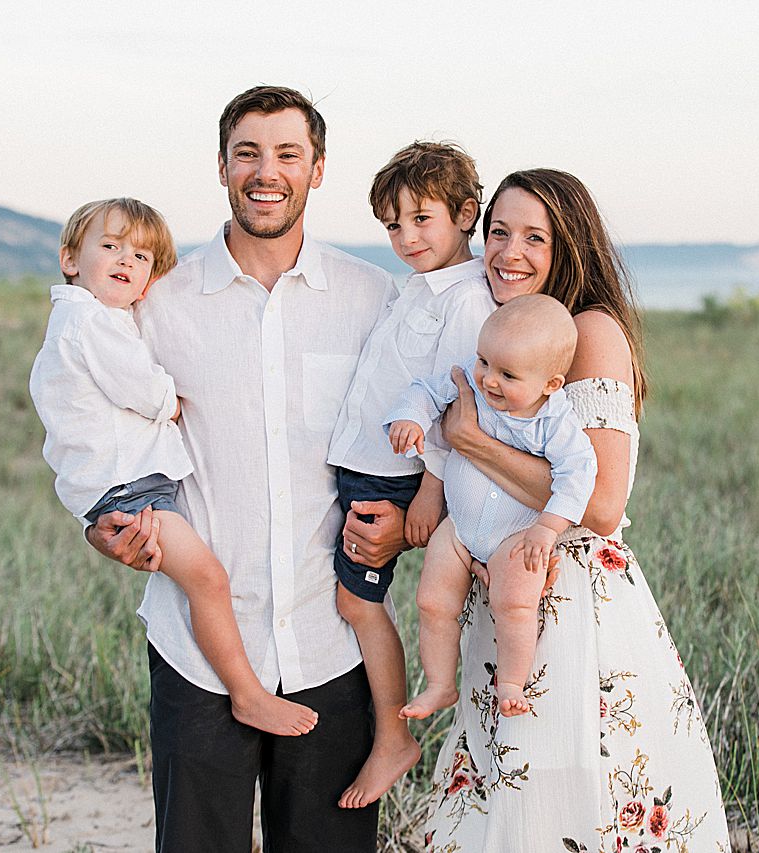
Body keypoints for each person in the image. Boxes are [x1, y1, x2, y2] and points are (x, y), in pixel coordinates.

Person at [84, 86, 406, 853]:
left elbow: (408, 438)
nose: (267, 172)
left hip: (330, 639)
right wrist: (101, 524)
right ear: (222, 166)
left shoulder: (373, 298)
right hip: (198, 651)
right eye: (249, 153)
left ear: (317, 169)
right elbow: (98, 426)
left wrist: (402, 519)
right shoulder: (157, 303)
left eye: (288, 153)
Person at [421, 170, 731, 852]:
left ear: (570, 248)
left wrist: (470, 438)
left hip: (571, 601)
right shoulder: (502, 330)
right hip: (507, 590)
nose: (510, 251)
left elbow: (603, 502)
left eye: (536, 237)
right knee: (510, 794)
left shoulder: (589, 331)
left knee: (565, 794)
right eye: (498, 231)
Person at [30, 198, 320, 740]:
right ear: (70, 258)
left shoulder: (96, 316)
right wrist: (173, 401)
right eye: (110, 247)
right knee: (209, 579)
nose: (126, 260)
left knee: (203, 578)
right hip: (128, 492)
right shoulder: (89, 321)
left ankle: (245, 690)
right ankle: (248, 693)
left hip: (124, 487)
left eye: (141, 255)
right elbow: (140, 387)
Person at [327, 141, 496, 809]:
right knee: (346, 600)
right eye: (393, 224)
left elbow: (459, 400)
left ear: (464, 213)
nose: (405, 237)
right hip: (363, 467)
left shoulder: (466, 301)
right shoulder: (417, 287)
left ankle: (394, 734)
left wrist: (430, 486)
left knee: (357, 603)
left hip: (394, 478)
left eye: (421, 219)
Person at [389, 294, 596, 721]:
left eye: (508, 374)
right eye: (484, 361)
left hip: (515, 534)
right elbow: (427, 389)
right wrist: (412, 416)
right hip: (460, 528)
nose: (488, 380)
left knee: (516, 604)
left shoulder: (555, 423)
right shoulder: (473, 379)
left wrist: (548, 528)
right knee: (431, 602)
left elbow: (579, 474)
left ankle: (511, 684)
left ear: (550, 384)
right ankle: (441, 685)